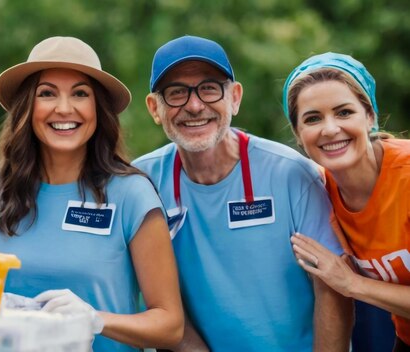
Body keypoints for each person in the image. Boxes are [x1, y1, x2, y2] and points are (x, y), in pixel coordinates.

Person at [133, 35, 353, 351]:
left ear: (234, 98)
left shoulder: (291, 173)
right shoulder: (140, 183)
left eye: (209, 88)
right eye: (176, 93)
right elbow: (154, 299)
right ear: (155, 108)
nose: (194, 106)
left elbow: (331, 288)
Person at [0, 36, 183, 351]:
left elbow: (170, 326)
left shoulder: (131, 195)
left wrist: (95, 319)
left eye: (80, 94)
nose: (64, 108)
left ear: (97, 108)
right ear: (27, 106)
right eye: (47, 94)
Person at [283, 52, 409, 351]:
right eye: (313, 118)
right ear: (298, 134)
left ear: (370, 117)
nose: (329, 129)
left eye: (344, 112)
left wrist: (352, 284)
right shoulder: (317, 191)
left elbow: (346, 282)